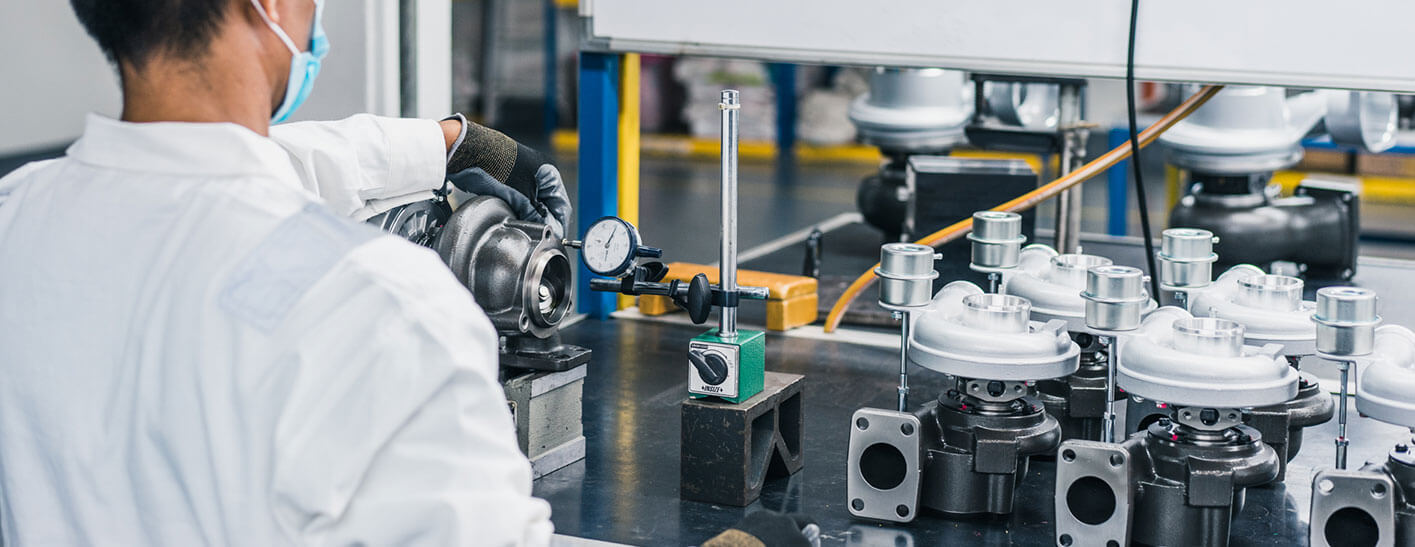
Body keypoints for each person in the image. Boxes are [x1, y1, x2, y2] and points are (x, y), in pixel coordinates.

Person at [0, 0, 562, 544]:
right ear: (270, 6)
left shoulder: (16, 217)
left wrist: (444, 145)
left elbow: (195, 173)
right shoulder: (388, 312)